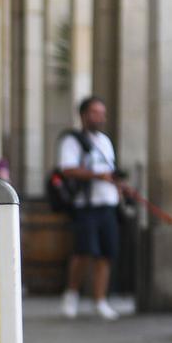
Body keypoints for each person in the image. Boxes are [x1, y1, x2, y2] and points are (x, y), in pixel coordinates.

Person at [53, 95, 128, 319]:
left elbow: (110, 169)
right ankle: (71, 295)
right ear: (84, 115)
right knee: (83, 251)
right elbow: (67, 169)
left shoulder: (105, 141)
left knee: (106, 253)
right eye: (95, 113)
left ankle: (100, 299)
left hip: (108, 203)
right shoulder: (72, 141)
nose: (100, 118)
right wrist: (98, 175)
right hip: (86, 205)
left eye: (102, 113)